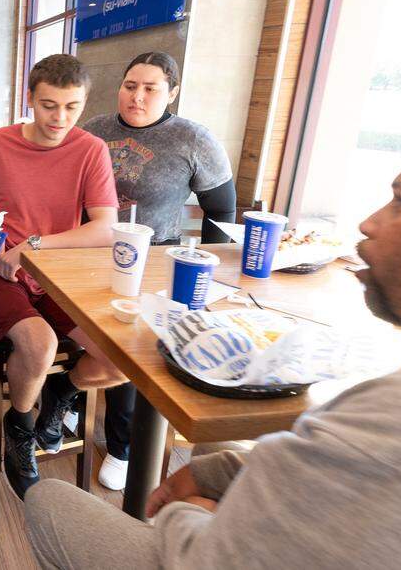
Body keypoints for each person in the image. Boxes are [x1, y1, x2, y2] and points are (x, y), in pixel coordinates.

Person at [24, 130, 401, 570]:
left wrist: (194, 510)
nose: (369, 223)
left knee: (48, 498)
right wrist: (220, 474)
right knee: (158, 393)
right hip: (108, 268)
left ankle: (101, 429)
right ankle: (79, 408)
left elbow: (208, 558)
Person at [0, 54, 120, 500]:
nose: (59, 118)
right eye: (49, 105)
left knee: (123, 356)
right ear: (30, 98)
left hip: (53, 270)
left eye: (71, 107)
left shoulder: (90, 150)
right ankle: (21, 426)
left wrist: (36, 246)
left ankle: (62, 392)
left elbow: (105, 226)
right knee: (40, 342)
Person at [83, 51, 236, 491]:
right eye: (131, 85)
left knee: (133, 350)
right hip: (90, 252)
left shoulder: (194, 139)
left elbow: (221, 210)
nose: (137, 96)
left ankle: (123, 448)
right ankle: (68, 398)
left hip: (155, 258)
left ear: (172, 92)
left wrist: (210, 276)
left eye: (151, 88)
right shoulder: (94, 130)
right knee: (82, 331)